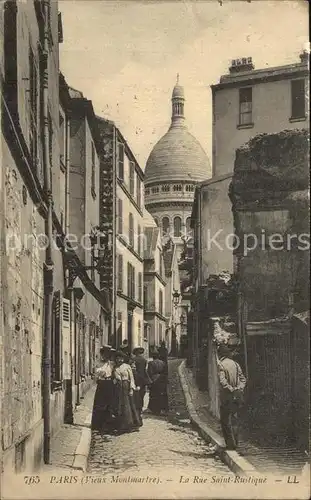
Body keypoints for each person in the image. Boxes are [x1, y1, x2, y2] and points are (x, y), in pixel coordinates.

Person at [217, 344, 247, 450]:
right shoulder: (235, 364)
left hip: (227, 397)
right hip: (237, 396)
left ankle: (230, 444)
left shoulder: (221, 365)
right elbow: (243, 379)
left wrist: (231, 389)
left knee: (225, 420)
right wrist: (239, 389)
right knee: (235, 419)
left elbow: (222, 381)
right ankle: (236, 442)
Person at [112, 350, 142, 433]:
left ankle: (131, 424)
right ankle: (122, 425)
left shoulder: (127, 366)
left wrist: (132, 389)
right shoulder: (115, 368)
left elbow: (131, 378)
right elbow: (114, 378)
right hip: (118, 388)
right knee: (120, 406)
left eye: (121, 358)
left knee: (129, 406)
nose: (120, 360)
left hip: (126, 387)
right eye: (118, 359)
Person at [91, 345, 116, 433]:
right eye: (105, 354)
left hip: (109, 384)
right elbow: (97, 373)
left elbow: (113, 374)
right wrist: (102, 372)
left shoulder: (112, 364)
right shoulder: (98, 363)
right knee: (100, 404)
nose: (106, 356)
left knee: (109, 405)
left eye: (108, 354)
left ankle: (107, 425)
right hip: (102, 384)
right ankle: (98, 425)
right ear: (102, 354)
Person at [147, 349, 169, 416]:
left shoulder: (151, 363)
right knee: (162, 395)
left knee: (153, 395)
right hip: (161, 379)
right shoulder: (163, 363)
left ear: (153, 356)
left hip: (154, 380)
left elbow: (149, 373)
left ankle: (153, 409)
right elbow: (166, 372)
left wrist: (149, 382)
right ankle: (163, 409)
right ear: (158, 356)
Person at [132, 347, 150, 415]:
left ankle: (136, 407)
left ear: (136, 353)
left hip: (135, 378)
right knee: (142, 394)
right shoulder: (144, 360)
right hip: (142, 379)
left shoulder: (133, 360)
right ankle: (140, 407)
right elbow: (144, 370)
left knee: (136, 394)